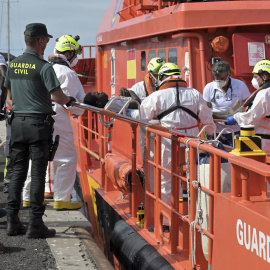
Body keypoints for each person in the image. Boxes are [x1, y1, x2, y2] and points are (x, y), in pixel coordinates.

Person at [4, 23, 75, 238]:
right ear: (41, 41)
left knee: (17, 173)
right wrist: (71, 101)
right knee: (37, 174)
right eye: (46, 40)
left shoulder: (13, 65)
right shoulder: (44, 67)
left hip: (16, 124)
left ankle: (12, 222)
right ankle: (35, 224)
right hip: (38, 126)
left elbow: (8, 97)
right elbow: (59, 98)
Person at [136, 63, 215, 205]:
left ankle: (167, 221)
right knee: (195, 176)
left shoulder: (156, 96)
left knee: (166, 179)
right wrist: (211, 137)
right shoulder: (195, 93)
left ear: (162, 78)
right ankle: (196, 213)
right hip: (193, 141)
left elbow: (143, 118)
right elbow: (207, 120)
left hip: (167, 141)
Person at [22, 35, 85, 211]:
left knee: (36, 155)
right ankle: (63, 198)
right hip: (56, 116)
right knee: (67, 158)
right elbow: (74, 103)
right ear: (70, 53)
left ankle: (27, 197)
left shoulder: (44, 68)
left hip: (35, 114)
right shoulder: (68, 73)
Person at [226, 59, 270, 153]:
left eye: (256, 76)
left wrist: (236, 118)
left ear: (265, 77)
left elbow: (253, 115)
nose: (254, 79)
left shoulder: (264, 93)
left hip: (263, 141)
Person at [203, 61, 250, 146]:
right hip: (216, 132)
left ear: (229, 75)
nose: (219, 81)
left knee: (234, 158)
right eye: (217, 79)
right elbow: (205, 109)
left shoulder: (240, 85)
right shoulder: (209, 87)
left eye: (222, 79)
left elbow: (249, 106)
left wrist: (238, 115)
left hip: (235, 131)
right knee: (216, 158)